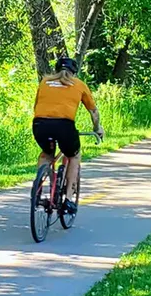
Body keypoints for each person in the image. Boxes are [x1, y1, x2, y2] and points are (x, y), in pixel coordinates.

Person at [31, 56, 104, 212]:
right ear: (74, 72)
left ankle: (40, 188)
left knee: (46, 154)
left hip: (40, 124)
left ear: (56, 69)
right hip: (64, 125)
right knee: (73, 155)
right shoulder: (79, 84)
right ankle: (69, 200)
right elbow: (93, 112)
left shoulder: (45, 81)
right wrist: (97, 128)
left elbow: (36, 106)